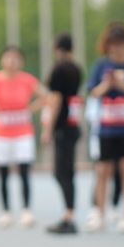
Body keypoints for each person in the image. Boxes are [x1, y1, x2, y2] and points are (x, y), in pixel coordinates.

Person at [0, 45, 47, 228]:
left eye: (16, 58)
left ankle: (26, 211)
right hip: (0, 132)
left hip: (22, 131)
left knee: (24, 171)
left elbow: (46, 96)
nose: (12, 62)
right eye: (8, 58)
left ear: (21, 61)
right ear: (2, 61)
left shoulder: (27, 80)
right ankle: (6, 212)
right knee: (3, 173)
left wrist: (31, 109)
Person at [86, 22, 124, 233]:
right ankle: (99, 214)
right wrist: (108, 84)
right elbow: (93, 92)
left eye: (121, 44)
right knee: (103, 170)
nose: (117, 49)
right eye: (113, 45)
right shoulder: (101, 66)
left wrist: (123, 86)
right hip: (107, 127)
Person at [41, 33, 83, 234]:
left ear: (55, 47)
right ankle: (69, 213)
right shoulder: (76, 68)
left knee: (61, 172)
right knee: (68, 172)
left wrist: (48, 128)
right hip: (72, 124)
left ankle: (69, 215)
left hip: (63, 127)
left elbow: (56, 100)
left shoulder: (59, 69)